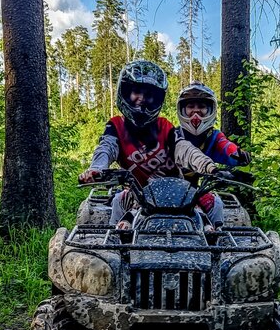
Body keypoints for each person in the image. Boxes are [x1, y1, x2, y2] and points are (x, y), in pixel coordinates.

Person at [78, 60, 220, 229]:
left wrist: (208, 167)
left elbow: (184, 149)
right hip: (139, 194)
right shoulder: (116, 126)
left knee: (215, 204)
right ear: (125, 92)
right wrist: (97, 168)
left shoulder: (163, 126)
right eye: (136, 91)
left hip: (179, 193)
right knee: (118, 201)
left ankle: (219, 247)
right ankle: (115, 248)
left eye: (149, 94)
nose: (142, 99)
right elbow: (106, 148)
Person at [176, 82, 251, 227]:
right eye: (191, 107)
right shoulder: (173, 135)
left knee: (215, 203)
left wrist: (237, 154)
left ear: (211, 110)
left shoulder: (213, 136)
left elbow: (225, 146)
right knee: (125, 205)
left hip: (193, 193)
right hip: (164, 192)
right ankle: (119, 239)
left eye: (202, 107)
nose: (195, 113)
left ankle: (217, 242)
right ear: (182, 110)